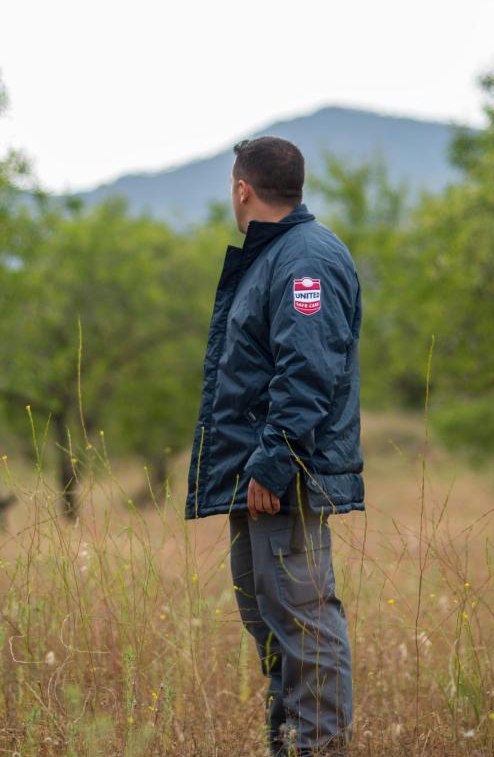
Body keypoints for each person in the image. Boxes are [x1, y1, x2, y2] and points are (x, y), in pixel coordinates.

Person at [185, 135, 364, 756]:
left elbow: (308, 370)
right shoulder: (276, 255)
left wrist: (272, 460)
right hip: (256, 480)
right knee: (276, 631)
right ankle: (288, 747)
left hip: (280, 478)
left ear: (243, 189)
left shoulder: (304, 259)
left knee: (306, 626)